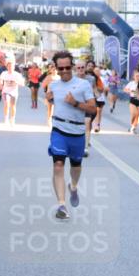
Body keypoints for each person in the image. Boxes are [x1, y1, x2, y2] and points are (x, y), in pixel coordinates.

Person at [45, 51, 96, 221]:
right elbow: (52, 101)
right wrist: (49, 99)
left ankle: (73, 187)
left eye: (68, 67)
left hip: (77, 131)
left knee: (76, 166)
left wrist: (75, 103)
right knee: (58, 165)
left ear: (72, 66)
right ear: (56, 68)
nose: (65, 70)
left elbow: (92, 109)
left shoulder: (83, 84)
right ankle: (61, 205)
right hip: (59, 129)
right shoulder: (53, 85)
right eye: (61, 68)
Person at [0, 60, 25, 125]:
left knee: (13, 106)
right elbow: (0, 79)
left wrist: (15, 83)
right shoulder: (4, 73)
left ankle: (12, 119)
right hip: (5, 91)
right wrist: (1, 84)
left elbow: (22, 84)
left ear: (14, 67)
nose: (10, 67)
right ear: (7, 67)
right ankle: (6, 118)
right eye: (9, 66)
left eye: (11, 66)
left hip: (14, 92)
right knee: (6, 104)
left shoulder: (17, 74)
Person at [124, 70, 139, 135]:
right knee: (134, 114)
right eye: (136, 76)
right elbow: (125, 89)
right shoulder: (131, 83)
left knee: (138, 115)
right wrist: (130, 91)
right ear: (134, 77)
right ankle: (132, 125)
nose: (138, 77)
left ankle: (134, 127)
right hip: (133, 99)